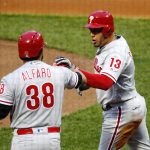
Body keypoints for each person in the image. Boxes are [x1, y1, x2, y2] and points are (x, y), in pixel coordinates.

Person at [54, 10, 150, 149]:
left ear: (107, 30)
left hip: (121, 112)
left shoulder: (116, 52)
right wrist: (77, 73)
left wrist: (77, 74)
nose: (92, 34)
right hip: (132, 106)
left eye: (96, 30)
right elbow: (99, 78)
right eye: (91, 30)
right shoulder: (107, 45)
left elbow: (105, 82)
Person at [0, 30, 86, 150]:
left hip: (23, 141)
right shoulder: (59, 72)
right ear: (41, 50)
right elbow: (83, 82)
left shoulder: (10, 79)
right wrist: (72, 68)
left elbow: (1, 111)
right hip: (51, 140)